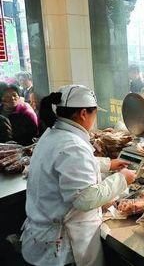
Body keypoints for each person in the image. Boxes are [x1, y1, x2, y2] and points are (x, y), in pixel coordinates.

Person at [21, 85, 136, 266]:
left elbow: (65, 166)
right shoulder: (72, 145)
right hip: (63, 250)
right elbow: (84, 199)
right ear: (83, 113)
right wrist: (122, 178)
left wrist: (108, 164)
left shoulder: (54, 134)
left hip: (42, 238)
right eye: (94, 114)